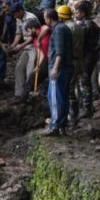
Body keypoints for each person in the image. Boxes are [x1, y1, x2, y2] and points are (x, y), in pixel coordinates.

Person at [43, 8, 74, 136]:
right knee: (63, 97)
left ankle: (55, 125)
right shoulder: (63, 28)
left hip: (60, 69)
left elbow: (60, 52)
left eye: (45, 18)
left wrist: (55, 68)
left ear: (49, 19)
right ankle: (62, 124)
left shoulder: (58, 30)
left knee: (55, 97)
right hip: (66, 68)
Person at [59, 5, 85, 121]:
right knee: (76, 86)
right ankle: (78, 110)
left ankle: (73, 115)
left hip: (71, 61)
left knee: (69, 88)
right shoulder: (77, 26)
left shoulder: (67, 28)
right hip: (80, 59)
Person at [8, 3, 39, 99]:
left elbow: (32, 37)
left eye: (15, 14)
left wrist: (20, 47)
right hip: (26, 46)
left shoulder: (31, 18)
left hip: (34, 45)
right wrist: (12, 46)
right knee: (19, 68)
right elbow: (18, 33)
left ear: (20, 11)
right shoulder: (18, 18)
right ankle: (19, 93)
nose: (14, 16)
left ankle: (29, 93)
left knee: (30, 69)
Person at [75, 1, 100, 117]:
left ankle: (86, 107)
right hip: (90, 53)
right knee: (84, 79)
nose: (76, 14)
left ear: (83, 13)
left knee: (85, 80)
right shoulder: (91, 23)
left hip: (88, 55)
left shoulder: (87, 25)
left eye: (78, 12)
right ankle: (86, 105)